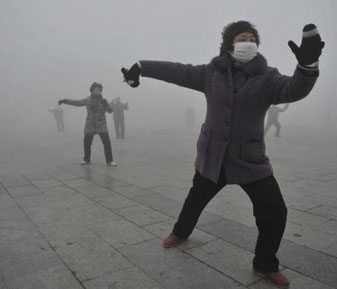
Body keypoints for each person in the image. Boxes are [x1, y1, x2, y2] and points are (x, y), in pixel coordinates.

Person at [121, 21, 324, 287]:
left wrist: (308, 67)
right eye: (242, 37)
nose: (248, 41)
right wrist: (142, 66)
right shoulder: (210, 73)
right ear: (229, 44)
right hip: (213, 155)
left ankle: (265, 262)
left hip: (250, 159)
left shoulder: (267, 77)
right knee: (195, 199)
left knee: (275, 210)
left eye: (252, 38)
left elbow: (294, 89)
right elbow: (177, 71)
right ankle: (181, 232)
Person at [58, 82, 117, 167]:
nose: (97, 91)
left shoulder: (103, 100)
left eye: (99, 90)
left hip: (101, 125)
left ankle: (110, 161)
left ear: (101, 91)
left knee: (107, 143)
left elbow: (110, 110)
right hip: (90, 125)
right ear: (92, 90)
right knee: (87, 143)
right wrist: (65, 101)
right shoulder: (88, 100)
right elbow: (77, 103)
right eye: (96, 89)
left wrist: (106, 104)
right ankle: (86, 159)